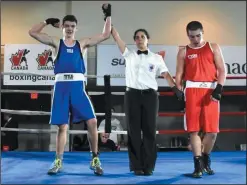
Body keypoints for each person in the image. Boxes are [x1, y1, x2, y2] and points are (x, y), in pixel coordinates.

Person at [28, 3, 112, 176]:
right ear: (62, 28)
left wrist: (108, 15)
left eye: (72, 26)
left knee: (93, 121)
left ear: (76, 28)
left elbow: (105, 34)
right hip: (61, 88)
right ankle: (58, 161)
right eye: (66, 26)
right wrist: (46, 21)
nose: (69, 29)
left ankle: (95, 158)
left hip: (77, 88)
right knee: (62, 127)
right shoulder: (56, 43)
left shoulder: (82, 44)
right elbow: (32, 32)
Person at [111, 27, 183, 176]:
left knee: (150, 131)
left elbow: (166, 74)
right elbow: (117, 38)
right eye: (136, 37)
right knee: (134, 132)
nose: (139, 39)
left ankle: (149, 166)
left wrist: (175, 89)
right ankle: (136, 165)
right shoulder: (129, 54)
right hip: (132, 95)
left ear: (147, 39)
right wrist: (108, 20)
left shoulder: (156, 58)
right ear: (134, 41)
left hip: (150, 96)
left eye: (142, 36)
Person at [175, 21, 226, 178]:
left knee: (212, 131)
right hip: (191, 91)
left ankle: (205, 157)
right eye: (192, 37)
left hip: (210, 90)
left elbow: (222, 70)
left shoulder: (213, 47)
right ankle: (197, 166)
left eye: (198, 36)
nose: (195, 39)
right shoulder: (184, 51)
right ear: (187, 35)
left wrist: (219, 88)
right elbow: (179, 74)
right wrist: (178, 90)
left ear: (203, 33)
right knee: (194, 129)